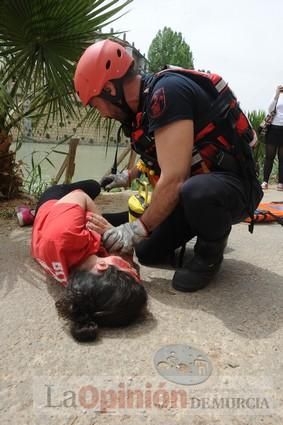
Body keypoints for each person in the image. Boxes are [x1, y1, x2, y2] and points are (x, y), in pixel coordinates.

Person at [74, 39, 263, 293]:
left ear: (109, 89)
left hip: (232, 188)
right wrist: (125, 178)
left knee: (194, 191)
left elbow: (175, 178)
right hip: (193, 193)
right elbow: (159, 159)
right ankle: (195, 231)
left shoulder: (167, 93)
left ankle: (209, 254)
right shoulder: (143, 109)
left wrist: (136, 228)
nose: (103, 114)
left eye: (97, 105)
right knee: (147, 252)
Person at [31, 179, 147, 342]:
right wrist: (114, 239)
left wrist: (111, 232)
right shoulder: (84, 287)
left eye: (131, 270)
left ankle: (30, 212)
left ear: (102, 264)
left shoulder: (67, 234)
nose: (134, 267)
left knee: (93, 186)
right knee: (120, 223)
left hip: (52, 204)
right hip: (56, 230)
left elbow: (80, 196)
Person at [261, 85, 283, 191]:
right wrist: (277, 94)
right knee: (269, 156)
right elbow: (270, 109)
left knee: (282, 158)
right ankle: (265, 181)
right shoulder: (277, 96)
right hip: (273, 128)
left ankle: (281, 183)